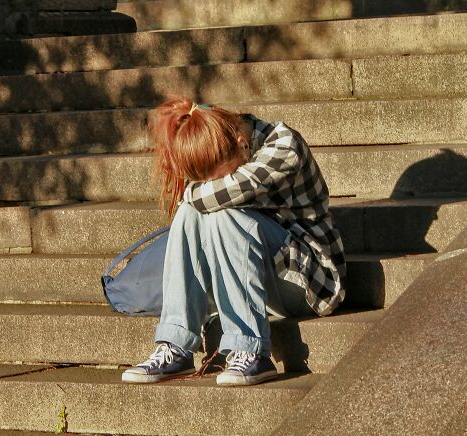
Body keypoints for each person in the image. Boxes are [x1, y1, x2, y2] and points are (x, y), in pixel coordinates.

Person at [121, 97, 346, 386]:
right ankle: (176, 344)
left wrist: (191, 193)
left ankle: (251, 350)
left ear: (242, 144)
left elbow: (211, 195)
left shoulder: (283, 145)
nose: (213, 184)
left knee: (220, 212)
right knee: (194, 213)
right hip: (262, 280)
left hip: (311, 283)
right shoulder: (230, 146)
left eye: (220, 177)